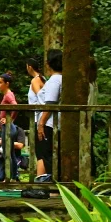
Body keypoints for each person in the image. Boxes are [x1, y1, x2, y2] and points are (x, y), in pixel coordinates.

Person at [36, 49, 62, 179]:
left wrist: (41, 123)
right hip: (54, 123)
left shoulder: (54, 80)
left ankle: (43, 185)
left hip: (49, 123)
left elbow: (50, 103)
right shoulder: (62, 79)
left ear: (48, 64)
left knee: (43, 154)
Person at [26, 58, 46, 178]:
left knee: (40, 151)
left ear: (29, 67)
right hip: (41, 118)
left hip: (39, 118)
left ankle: (41, 179)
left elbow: (41, 98)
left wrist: (41, 121)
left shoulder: (35, 80)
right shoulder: (43, 78)